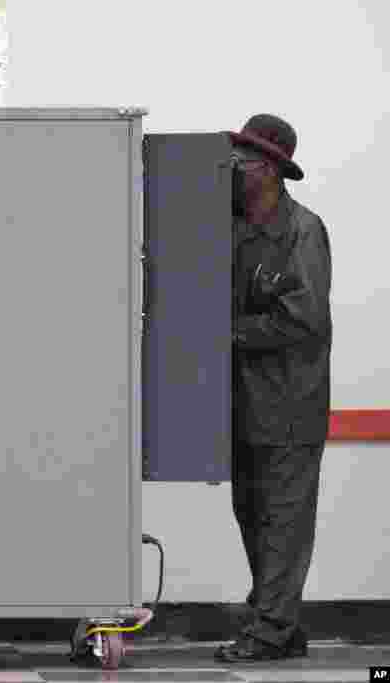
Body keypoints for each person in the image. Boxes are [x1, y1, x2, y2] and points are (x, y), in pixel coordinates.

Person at [216, 114, 333, 663]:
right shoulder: (233, 228)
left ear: (269, 169)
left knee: (283, 525)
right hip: (243, 406)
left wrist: (225, 332)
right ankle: (280, 625)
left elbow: (302, 319)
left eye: (241, 160)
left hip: (289, 408)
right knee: (254, 516)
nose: (232, 168)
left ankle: (268, 632)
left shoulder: (301, 232)